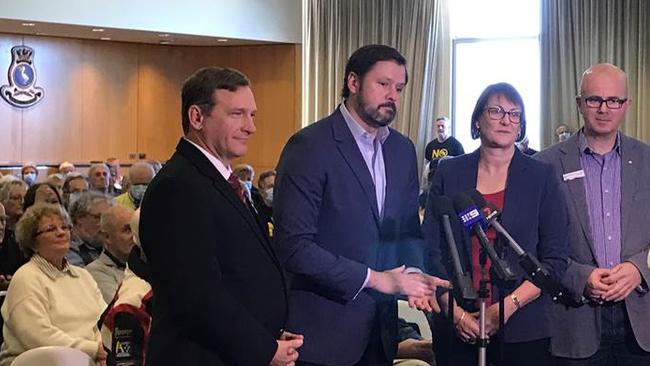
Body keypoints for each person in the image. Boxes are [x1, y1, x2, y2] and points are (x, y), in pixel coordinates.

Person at [274, 44, 448, 366]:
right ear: (353, 83)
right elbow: (294, 246)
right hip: (322, 333)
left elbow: (406, 230)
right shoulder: (309, 146)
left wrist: (413, 274)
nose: (393, 95)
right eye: (383, 84)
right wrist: (374, 278)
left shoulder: (402, 150)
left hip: (380, 333)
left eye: (399, 88)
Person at [140, 66, 301, 366]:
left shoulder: (224, 183)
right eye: (237, 114)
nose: (251, 127)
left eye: (252, 115)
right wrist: (264, 348)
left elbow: (242, 274)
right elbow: (197, 295)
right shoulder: (178, 187)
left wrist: (269, 336)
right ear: (197, 117)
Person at [423, 82, 569, 366]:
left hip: (524, 329)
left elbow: (555, 258)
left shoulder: (541, 176)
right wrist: (456, 313)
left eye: (515, 114)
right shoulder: (449, 172)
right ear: (478, 119)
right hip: (457, 325)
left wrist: (505, 308)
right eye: (496, 111)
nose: (506, 120)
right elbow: (431, 250)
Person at [535, 63, 650, 365]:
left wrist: (639, 268)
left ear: (626, 105)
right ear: (579, 104)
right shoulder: (544, 166)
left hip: (640, 320)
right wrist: (580, 277)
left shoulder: (648, 160)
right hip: (574, 321)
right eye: (594, 100)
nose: (604, 108)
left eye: (614, 100)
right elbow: (533, 243)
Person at [0, 203, 106, 366]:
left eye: (65, 227)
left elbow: (103, 320)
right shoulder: (26, 277)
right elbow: (37, 336)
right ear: (32, 240)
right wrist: (93, 350)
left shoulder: (83, 275)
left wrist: (103, 351)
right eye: (51, 229)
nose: (61, 233)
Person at [86, 205, 135, 302]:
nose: (134, 236)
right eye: (127, 230)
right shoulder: (94, 272)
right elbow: (123, 308)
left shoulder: (147, 265)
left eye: (135, 229)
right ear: (107, 237)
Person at [424, 116, 465, 184]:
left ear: (448, 128)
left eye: (443, 126)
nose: (440, 128)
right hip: (433, 183)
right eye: (438, 126)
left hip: (450, 183)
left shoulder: (456, 145)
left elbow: (462, 166)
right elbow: (427, 166)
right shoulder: (430, 146)